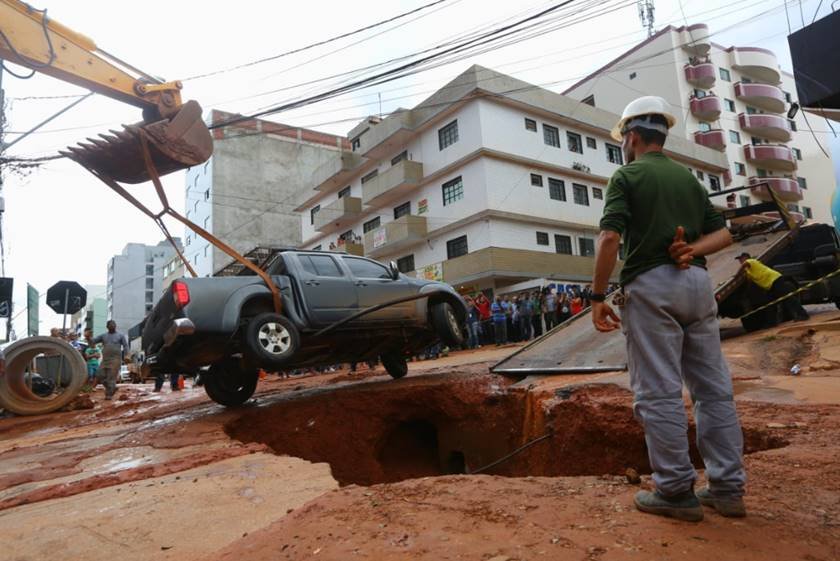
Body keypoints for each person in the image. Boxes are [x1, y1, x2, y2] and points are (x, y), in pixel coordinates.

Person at [591, 96, 745, 522]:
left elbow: (609, 239)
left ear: (633, 137)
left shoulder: (627, 175)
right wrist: (690, 250)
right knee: (713, 389)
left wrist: (596, 296)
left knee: (658, 390)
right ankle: (728, 488)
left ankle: (676, 491)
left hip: (651, 286)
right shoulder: (687, 178)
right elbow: (724, 236)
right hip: (698, 284)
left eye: (624, 139)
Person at [737, 252, 809, 322]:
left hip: (775, 280)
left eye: (741, 258)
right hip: (770, 285)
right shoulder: (748, 271)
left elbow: (744, 264)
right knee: (769, 303)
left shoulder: (751, 261)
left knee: (788, 298)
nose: (740, 261)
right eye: (739, 259)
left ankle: (803, 315)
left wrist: (737, 275)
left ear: (746, 257)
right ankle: (771, 322)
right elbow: (750, 281)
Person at [92, 320, 130, 400]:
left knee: (111, 377)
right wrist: (88, 337)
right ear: (107, 327)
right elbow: (93, 341)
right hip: (105, 359)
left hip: (116, 359)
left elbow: (126, 346)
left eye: (113, 324)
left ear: (115, 326)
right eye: (110, 325)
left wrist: (127, 355)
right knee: (99, 375)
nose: (112, 326)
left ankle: (109, 394)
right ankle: (112, 388)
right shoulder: (103, 336)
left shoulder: (120, 335)